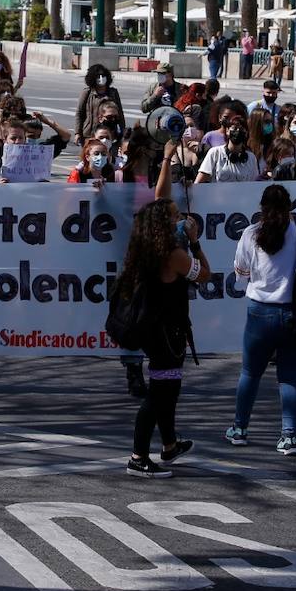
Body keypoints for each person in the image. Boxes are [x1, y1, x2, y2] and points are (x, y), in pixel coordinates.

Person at [117, 142, 209, 478]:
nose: (179, 218)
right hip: (165, 331)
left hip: (156, 328)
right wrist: (195, 240)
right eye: (175, 216)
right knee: (161, 394)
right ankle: (139, 456)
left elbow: (160, 196)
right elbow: (205, 274)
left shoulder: (145, 239)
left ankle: (169, 445)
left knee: (167, 388)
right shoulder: (172, 252)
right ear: (167, 222)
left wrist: (168, 158)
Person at [226, 184, 296, 454]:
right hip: (293, 312)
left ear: (262, 208)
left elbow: (240, 270)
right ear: (289, 207)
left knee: (250, 373)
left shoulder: (251, 233)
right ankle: (289, 436)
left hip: (260, 311)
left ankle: (240, 428)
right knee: (289, 378)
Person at [195, 113, 263, 183]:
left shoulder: (251, 158)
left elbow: (254, 184)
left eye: (241, 129)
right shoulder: (215, 152)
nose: (238, 131)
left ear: (246, 133)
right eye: (234, 128)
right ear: (227, 131)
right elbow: (199, 181)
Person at [74, 65, 123, 141]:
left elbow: (120, 113)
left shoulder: (113, 92)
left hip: (110, 133)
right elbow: (79, 113)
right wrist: (77, 133)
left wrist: (122, 131)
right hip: (90, 134)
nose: (101, 78)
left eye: (103, 75)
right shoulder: (87, 93)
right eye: (98, 76)